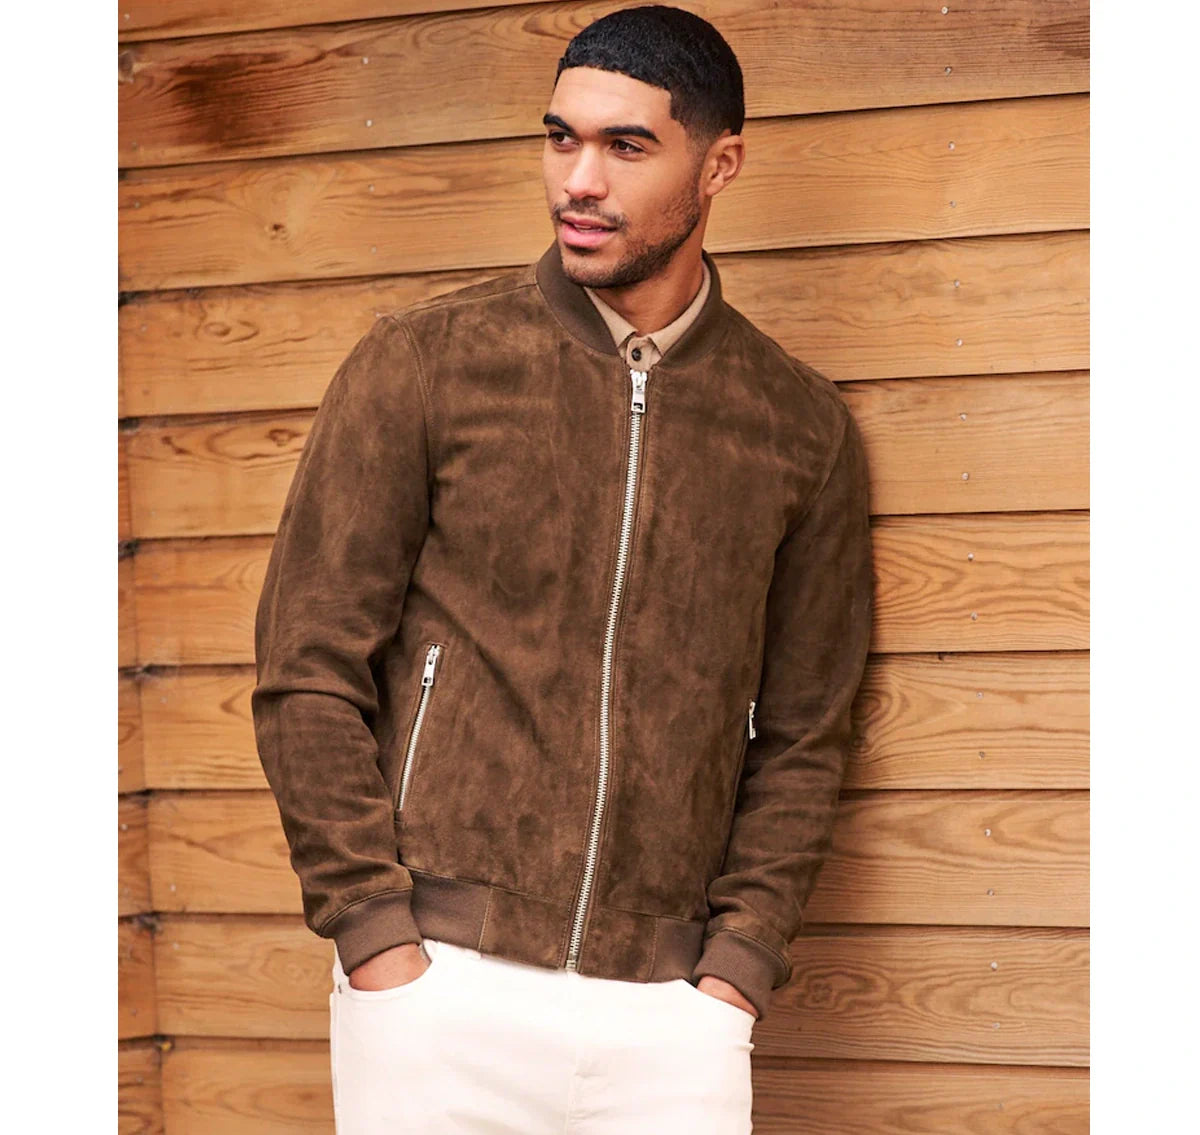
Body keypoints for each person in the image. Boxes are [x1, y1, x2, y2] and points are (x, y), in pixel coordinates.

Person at [251, 5, 874, 1132]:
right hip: (438, 986)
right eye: (561, 138)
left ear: (719, 165)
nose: (579, 180)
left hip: (670, 1019)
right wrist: (377, 937)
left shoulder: (796, 427)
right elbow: (308, 668)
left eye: (626, 146)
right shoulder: (427, 363)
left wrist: (733, 971)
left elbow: (805, 730)